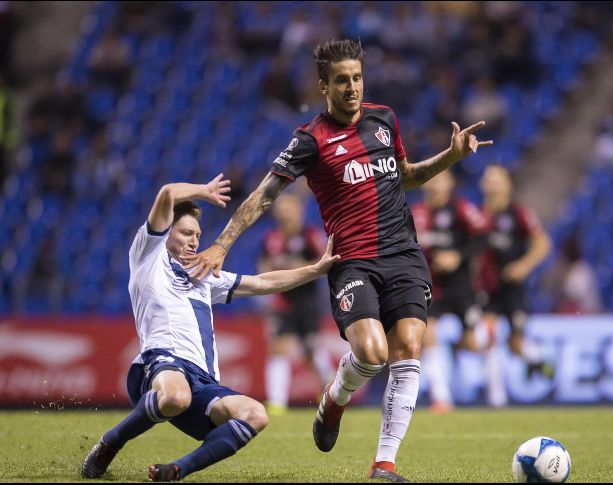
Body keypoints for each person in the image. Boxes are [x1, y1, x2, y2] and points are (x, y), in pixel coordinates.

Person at [185, 39, 492, 482]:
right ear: (323, 86)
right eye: (342, 80)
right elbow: (264, 196)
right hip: (353, 261)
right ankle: (335, 396)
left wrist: (451, 157)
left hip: (404, 254)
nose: (352, 87)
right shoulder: (310, 140)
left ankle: (384, 464)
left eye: (357, 78)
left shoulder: (384, 119)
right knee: (371, 353)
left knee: (408, 348)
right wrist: (222, 244)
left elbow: (404, 178)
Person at [81, 174, 339, 481]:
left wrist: (315, 269)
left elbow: (262, 282)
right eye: (187, 233)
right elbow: (166, 192)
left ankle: (177, 471)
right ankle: (109, 444)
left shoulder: (204, 274)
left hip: (203, 382)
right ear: (165, 234)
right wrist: (203, 192)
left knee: (256, 414)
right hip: (161, 364)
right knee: (176, 397)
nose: (194, 241)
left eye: (198, 235)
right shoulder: (148, 257)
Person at [412, 169, 488, 413]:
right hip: (431, 286)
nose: (435, 184)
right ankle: (441, 398)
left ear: (450, 183)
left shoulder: (462, 209)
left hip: (463, 287)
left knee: (472, 343)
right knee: (428, 335)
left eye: (441, 179)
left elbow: (483, 238)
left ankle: (496, 384)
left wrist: (458, 256)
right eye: (431, 179)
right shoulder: (416, 214)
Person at [476, 164, 552, 407]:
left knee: (516, 345)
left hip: (512, 289)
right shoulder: (477, 215)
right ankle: (496, 398)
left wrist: (524, 266)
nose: (492, 183)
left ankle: (540, 359)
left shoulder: (518, 213)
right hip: (487, 288)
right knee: (488, 337)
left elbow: (543, 243)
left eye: (497, 179)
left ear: (508, 184)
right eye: (488, 179)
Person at [260, 192, 334, 415]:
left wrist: (303, 266)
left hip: (307, 300)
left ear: (298, 211)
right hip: (283, 300)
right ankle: (277, 402)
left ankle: (330, 389)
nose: (284, 213)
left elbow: (324, 261)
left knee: (311, 350)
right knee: (278, 348)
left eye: (288, 208)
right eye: (281, 208)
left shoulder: (309, 235)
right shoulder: (271, 238)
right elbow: (263, 263)